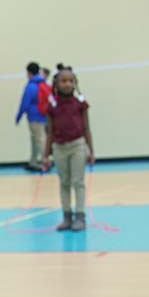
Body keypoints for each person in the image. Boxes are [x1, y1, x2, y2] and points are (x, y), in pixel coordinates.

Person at [43, 68, 94, 232]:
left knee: (78, 182)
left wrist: (91, 150)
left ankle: (80, 216)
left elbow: (86, 128)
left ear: (75, 83)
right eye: (63, 81)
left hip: (78, 146)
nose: (67, 84)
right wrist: (45, 155)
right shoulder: (52, 106)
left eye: (71, 81)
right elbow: (49, 132)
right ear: (56, 84)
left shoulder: (80, 103)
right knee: (64, 182)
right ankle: (67, 216)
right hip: (59, 148)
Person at [14, 61, 47, 172]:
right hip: (44, 116)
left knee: (39, 139)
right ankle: (33, 162)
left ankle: (45, 162)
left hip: (34, 117)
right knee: (35, 139)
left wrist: (18, 117)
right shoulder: (43, 83)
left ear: (28, 72)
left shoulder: (31, 86)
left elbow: (25, 103)